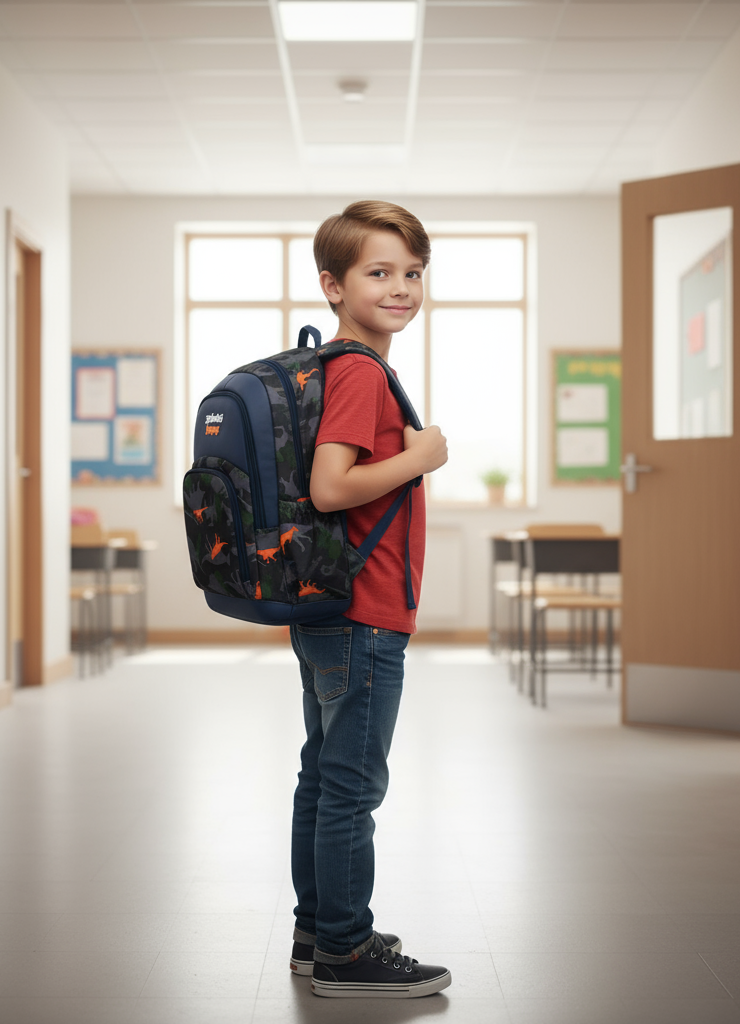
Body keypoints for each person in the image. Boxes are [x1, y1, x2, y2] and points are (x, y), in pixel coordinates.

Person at [288, 200, 452, 998]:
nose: (401, 288)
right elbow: (330, 488)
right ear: (333, 284)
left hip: (330, 608)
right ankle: (346, 953)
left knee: (324, 774)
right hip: (364, 610)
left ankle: (316, 930)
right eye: (378, 273)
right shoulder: (358, 371)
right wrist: (423, 455)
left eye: (412, 273)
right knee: (353, 785)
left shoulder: (339, 365)